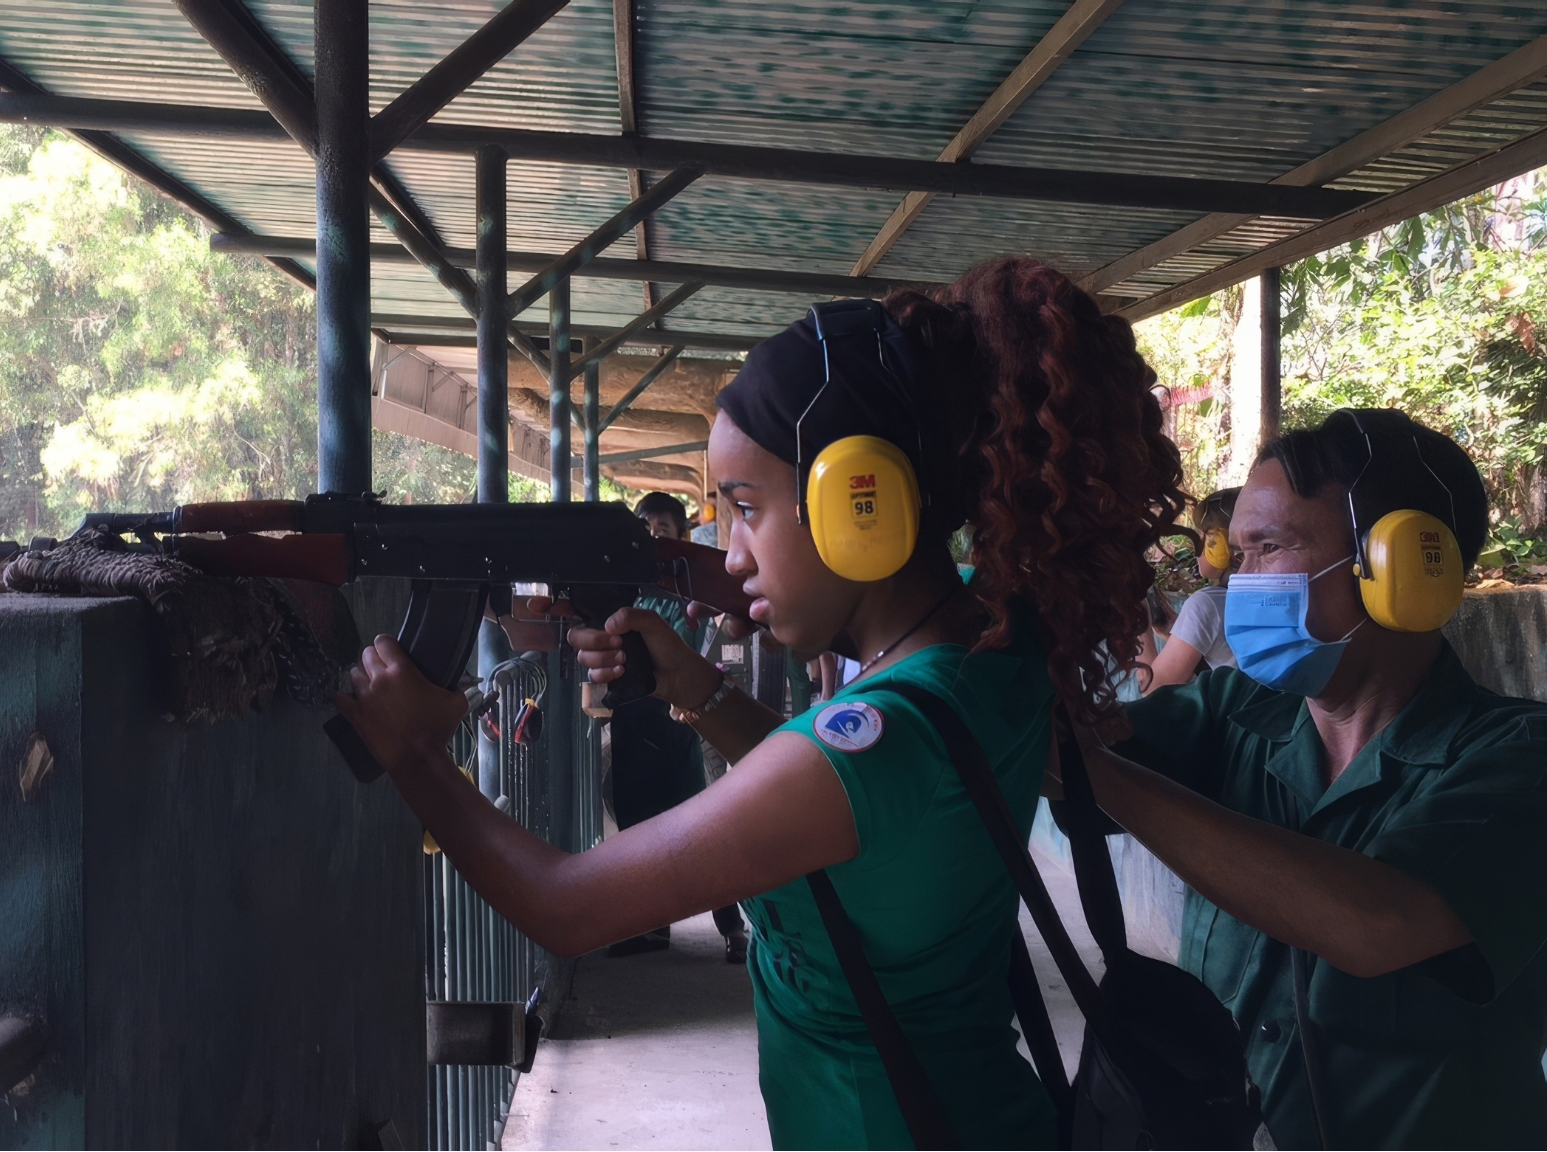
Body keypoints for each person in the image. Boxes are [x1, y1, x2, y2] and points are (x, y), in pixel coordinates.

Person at [337, 257, 1186, 1149]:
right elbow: (855, 821)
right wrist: (695, 690)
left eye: (747, 508)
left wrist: (416, 754)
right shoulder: (990, 652)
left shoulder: (875, 741)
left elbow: (566, 904)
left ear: (864, 505)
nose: (730, 551)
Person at [1075, 409, 1547, 1147]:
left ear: (1401, 566)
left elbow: (1376, 924)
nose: (1242, 583)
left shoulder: (1518, 756)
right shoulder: (1232, 712)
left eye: (1271, 548)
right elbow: (1040, 753)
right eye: (1240, 554)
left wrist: (1099, 773)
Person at [611, 490, 750, 963]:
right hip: (633, 723)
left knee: (701, 832)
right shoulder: (623, 591)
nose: (652, 539)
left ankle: (732, 926)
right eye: (645, 531)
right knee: (636, 827)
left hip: (679, 726)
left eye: (663, 531)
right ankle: (649, 929)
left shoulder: (687, 593)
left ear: (681, 538)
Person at [1141, 486, 1241, 691]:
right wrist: (1173, 637)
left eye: (1205, 534)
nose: (1197, 543)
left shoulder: (1207, 603)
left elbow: (1154, 693)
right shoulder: (1259, 595)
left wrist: (1142, 632)